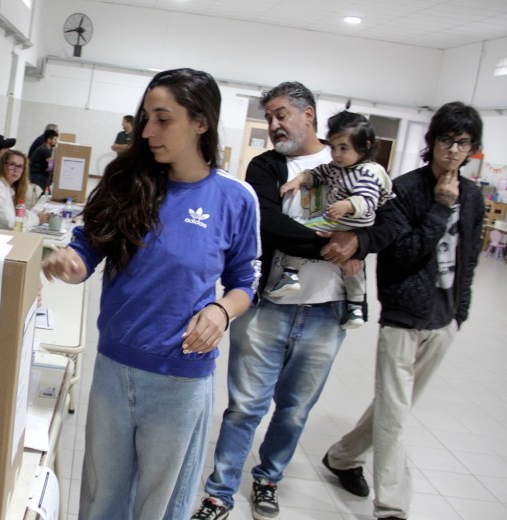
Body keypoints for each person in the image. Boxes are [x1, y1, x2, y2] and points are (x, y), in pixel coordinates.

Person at [43, 68, 259, 520]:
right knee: (104, 495)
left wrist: (221, 311)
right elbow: (88, 248)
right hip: (114, 369)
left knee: (161, 504)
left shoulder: (235, 198)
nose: (147, 131)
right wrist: (72, 261)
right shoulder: (128, 184)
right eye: (146, 118)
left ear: (201, 122)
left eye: (163, 119)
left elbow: (245, 283)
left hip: (180, 377)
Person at [193, 81, 360, 520]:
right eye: (269, 116)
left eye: (281, 114)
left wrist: (359, 240)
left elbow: (386, 219)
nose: (273, 124)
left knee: (295, 409)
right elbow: (267, 225)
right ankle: (220, 493)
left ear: (309, 115)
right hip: (267, 307)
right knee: (245, 407)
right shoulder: (266, 167)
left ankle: (267, 479)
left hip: (326, 311)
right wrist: (334, 245)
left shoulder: (350, 162)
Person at [321, 102, 485, 520]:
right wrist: (439, 208)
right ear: (433, 142)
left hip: (443, 319)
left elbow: (470, 258)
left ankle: (341, 457)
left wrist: (459, 314)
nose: (452, 150)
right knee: (395, 415)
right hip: (403, 316)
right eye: (446, 140)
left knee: (395, 406)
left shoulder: (473, 196)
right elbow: (403, 255)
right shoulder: (404, 191)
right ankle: (392, 506)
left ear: (472, 149)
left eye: (462, 143)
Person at [271, 110, 394, 329]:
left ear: (364, 146)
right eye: (333, 147)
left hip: (354, 224)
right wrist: (298, 180)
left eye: (343, 148)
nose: (336, 154)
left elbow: (367, 200)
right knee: (343, 261)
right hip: (336, 219)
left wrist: (347, 206)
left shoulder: (369, 172)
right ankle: (349, 303)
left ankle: (350, 303)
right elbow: (318, 173)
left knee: (314, 237)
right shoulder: (339, 167)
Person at [0, 149, 48, 230]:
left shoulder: (7, 188)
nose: (16, 170)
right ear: (3, 166)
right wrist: (37, 219)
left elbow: (16, 213)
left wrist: (35, 215)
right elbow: (10, 223)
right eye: (12, 164)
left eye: (20, 166)